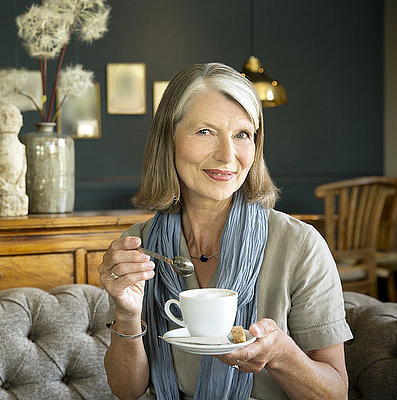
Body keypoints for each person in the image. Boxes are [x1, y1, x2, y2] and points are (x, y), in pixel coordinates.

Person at [98, 62, 352, 400]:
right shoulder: (140, 248)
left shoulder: (300, 246)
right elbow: (126, 390)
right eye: (205, 131)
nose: (227, 155)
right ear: (168, 139)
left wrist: (281, 355)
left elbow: (336, 393)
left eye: (242, 135)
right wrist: (127, 315)